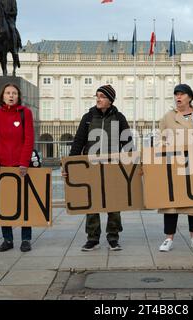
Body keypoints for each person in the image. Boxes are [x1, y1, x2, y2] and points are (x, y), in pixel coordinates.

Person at [67, 84, 132, 251]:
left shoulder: (119, 118)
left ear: (110, 100)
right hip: (91, 166)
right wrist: (70, 164)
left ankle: (113, 237)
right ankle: (93, 238)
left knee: (114, 203)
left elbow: (128, 143)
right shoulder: (88, 117)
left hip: (113, 166)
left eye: (102, 96)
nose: (98, 99)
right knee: (93, 203)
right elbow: (78, 142)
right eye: (97, 96)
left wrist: (133, 165)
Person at [157, 84, 193, 252]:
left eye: (181, 94)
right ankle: (168, 238)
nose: (178, 97)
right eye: (176, 94)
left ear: (189, 97)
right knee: (171, 202)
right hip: (174, 163)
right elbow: (161, 139)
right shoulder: (168, 117)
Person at [0, 83, 34, 252]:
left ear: (18, 96)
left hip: (21, 167)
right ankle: (7, 239)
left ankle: (26, 239)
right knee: (5, 204)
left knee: (24, 203)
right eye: (8, 93)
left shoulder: (25, 113)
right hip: (2, 167)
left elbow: (29, 139)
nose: (11, 96)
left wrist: (24, 163)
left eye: (14, 93)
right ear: (3, 96)